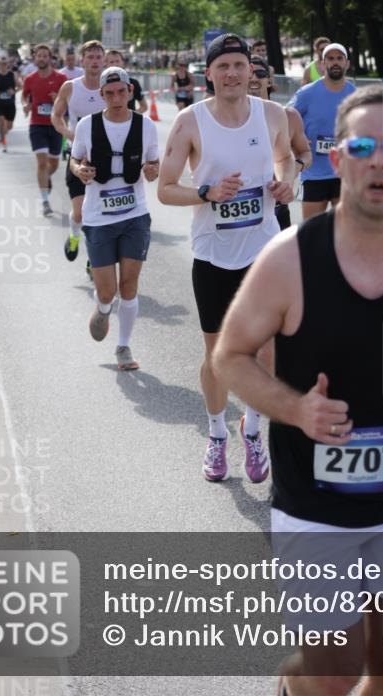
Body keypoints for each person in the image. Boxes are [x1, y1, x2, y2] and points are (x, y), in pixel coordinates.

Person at [214, 85, 383, 696]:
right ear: (337, 160)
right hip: (313, 501)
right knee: (334, 674)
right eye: (363, 147)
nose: (379, 161)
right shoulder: (289, 258)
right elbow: (228, 356)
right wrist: (295, 409)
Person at [158, 33, 294, 482]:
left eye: (240, 65)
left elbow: (286, 158)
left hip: (263, 250)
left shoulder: (272, 114)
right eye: (224, 67)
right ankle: (216, 435)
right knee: (218, 356)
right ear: (210, 74)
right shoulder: (190, 122)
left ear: (250, 71)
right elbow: (164, 189)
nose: (233, 73)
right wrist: (207, 192)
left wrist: (286, 182)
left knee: (268, 352)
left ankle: (251, 429)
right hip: (213, 255)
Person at [70, 66, 159, 369]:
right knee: (107, 291)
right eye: (110, 94)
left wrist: (152, 170)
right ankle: (104, 307)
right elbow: (74, 159)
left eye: (122, 91)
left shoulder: (146, 125)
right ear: (101, 95)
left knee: (129, 286)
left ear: (130, 90)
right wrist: (79, 170)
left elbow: (154, 163)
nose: (117, 98)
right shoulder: (87, 125)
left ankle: (123, 347)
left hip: (135, 214)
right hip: (99, 217)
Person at [51, 40, 106, 262]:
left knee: (100, 214)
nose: (94, 61)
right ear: (82, 61)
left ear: (104, 60)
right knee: (81, 212)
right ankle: (74, 235)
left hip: (105, 158)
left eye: (98, 57)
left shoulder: (111, 88)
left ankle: (94, 260)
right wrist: (69, 134)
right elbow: (56, 115)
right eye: (90, 57)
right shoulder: (70, 87)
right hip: (78, 158)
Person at [293, 43, 356, 219]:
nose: (335, 62)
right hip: (313, 174)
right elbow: (286, 118)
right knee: (312, 229)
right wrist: (297, 139)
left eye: (339, 58)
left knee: (346, 228)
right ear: (322, 64)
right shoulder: (306, 93)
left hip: (344, 173)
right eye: (330, 58)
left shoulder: (356, 95)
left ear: (347, 63)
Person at [249, 54, 312, 230]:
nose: (254, 78)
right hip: (242, 210)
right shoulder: (229, 120)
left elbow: (306, 153)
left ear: (269, 80)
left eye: (260, 73)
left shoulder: (288, 116)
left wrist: (296, 166)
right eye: (249, 73)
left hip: (277, 208)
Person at [21, 44, 66, 216]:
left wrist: (58, 100)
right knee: (41, 163)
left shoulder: (61, 78)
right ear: (34, 58)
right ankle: (45, 201)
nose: (41, 58)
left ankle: (46, 178)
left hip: (56, 125)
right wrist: (25, 104)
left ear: (50, 58)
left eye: (45, 56)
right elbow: (24, 95)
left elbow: (68, 101)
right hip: (37, 125)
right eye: (39, 56)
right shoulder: (30, 79)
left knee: (53, 163)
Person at [0, 57, 20, 151]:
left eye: (5, 63)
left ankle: (3, 135)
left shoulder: (12, 75)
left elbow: (21, 86)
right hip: (0, 103)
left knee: (9, 126)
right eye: (1, 64)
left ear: (8, 64)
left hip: (10, 104)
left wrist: (14, 91)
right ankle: (3, 143)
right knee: (1, 122)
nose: (3, 65)